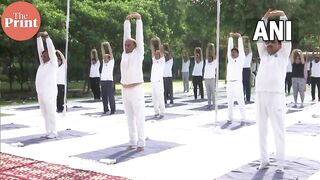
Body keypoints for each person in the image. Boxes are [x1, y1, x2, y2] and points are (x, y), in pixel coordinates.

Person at [255, 9, 292, 172]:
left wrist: (282, 15)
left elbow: (287, 37)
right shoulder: (263, 55)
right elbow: (258, 39)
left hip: (276, 97)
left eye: (272, 42)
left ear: (280, 45)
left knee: (278, 130)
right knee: (261, 129)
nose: (268, 44)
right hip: (260, 95)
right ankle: (264, 160)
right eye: (267, 42)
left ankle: (280, 164)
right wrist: (263, 18)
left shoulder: (283, 55)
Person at [121, 12, 145, 151]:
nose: (126, 46)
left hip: (136, 88)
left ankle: (141, 142)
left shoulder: (138, 53)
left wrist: (138, 20)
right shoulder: (124, 54)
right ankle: (132, 140)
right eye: (125, 45)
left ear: (134, 46)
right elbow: (126, 36)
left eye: (129, 45)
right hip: (125, 89)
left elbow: (139, 38)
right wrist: (126, 22)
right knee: (129, 117)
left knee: (139, 117)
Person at [36, 31, 58, 139]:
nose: (43, 57)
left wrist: (47, 38)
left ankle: (53, 132)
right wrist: (38, 38)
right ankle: (48, 131)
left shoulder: (53, 63)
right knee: (44, 113)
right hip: (41, 92)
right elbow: (40, 50)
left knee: (51, 112)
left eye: (45, 56)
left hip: (50, 92)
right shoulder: (42, 64)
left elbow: (51, 50)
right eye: (42, 56)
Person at [226, 32, 246, 123]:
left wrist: (239, 38)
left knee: (240, 101)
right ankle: (230, 118)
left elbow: (241, 50)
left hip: (238, 83)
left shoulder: (241, 59)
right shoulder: (230, 60)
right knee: (229, 102)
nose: (232, 54)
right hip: (229, 83)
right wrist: (230, 38)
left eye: (234, 52)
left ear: (238, 54)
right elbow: (229, 49)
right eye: (232, 53)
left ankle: (243, 117)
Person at [150, 37, 165, 119]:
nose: (155, 55)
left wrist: (158, 41)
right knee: (154, 97)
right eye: (155, 54)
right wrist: (152, 43)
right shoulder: (154, 60)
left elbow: (161, 50)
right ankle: (156, 112)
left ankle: (162, 112)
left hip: (159, 81)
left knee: (160, 97)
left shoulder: (162, 61)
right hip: (153, 81)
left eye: (157, 54)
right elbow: (152, 50)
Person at [100, 41, 116, 114]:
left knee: (110, 96)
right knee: (104, 96)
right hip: (103, 81)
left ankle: (113, 109)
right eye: (104, 58)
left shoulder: (111, 62)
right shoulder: (104, 62)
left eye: (106, 57)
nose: (104, 58)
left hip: (109, 81)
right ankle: (105, 109)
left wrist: (108, 45)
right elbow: (102, 52)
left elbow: (111, 53)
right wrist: (102, 46)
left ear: (109, 58)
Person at [203, 43, 218, 108]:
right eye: (208, 58)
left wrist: (213, 47)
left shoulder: (214, 63)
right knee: (208, 93)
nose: (208, 59)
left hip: (212, 79)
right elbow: (206, 55)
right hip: (206, 79)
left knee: (213, 92)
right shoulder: (207, 62)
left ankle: (214, 105)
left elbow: (214, 55)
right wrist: (208, 47)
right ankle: (209, 104)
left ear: (212, 59)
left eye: (210, 58)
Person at [242, 36, 253, 103]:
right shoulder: (242, 55)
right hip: (242, 70)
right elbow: (241, 49)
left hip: (247, 69)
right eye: (245, 50)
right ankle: (242, 97)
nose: (246, 50)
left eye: (247, 50)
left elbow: (250, 48)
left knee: (247, 84)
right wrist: (243, 41)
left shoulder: (249, 55)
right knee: (242, 84)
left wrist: (248, 41)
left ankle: (248, 98)